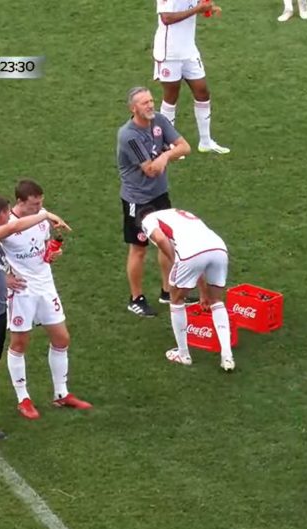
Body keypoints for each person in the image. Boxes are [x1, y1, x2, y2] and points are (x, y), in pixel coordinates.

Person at [0, 195, 69, 459]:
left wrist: (2, 280)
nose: (10, 217)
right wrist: (44, 215)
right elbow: (11, 230)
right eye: (7, 213)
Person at [2, 180, 93, 420]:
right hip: (21, 292)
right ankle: (23, 398)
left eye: (41, 202)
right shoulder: (6, 226)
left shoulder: (42, 219)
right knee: (20, 343)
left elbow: (42, 249)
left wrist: (52, 253)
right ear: (20, 202)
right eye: (35, 204)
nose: (40, 208)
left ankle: (61, 394)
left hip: (45, 286)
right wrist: (3, 278)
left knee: (62, 339)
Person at [118, 86, 191, 317]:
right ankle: (135, 298)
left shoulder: (159, 120)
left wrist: (166, 155)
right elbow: (150, 170)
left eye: (151, 101)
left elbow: (185, 147)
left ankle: (167, 290)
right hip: (138, 200)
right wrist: (170, 152)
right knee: (139, 248)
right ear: (133, 108)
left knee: (167, 240)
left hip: (160, 194)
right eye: (144, 103)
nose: (150, 105)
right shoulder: (128, 135)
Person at [137, 206, 235, 371]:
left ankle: (183, 354)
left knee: (176, 300)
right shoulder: (176, 213)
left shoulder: (148, 220)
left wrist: (175, 260)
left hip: (191, 253)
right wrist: (204, 292)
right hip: (218, 248)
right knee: (217, 301)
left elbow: (160, 239)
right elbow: (200, 258)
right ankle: (227, 356)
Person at [153, 0, 230, 154]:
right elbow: (166, 18)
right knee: (171, 97)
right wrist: (197, 9)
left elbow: (195, 7)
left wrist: (208, 9)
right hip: (169, 53)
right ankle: (166, 144)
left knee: (202, 92)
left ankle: (205, 141)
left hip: (189, 50)